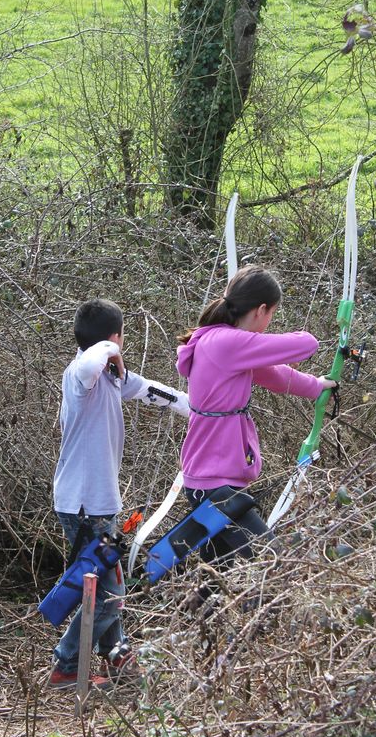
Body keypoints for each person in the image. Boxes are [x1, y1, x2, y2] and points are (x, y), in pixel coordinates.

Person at [50, 297, 189, 689]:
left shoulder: (112, 378)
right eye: (118, 339)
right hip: (84, 507)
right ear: (114, 338)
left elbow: (158, 392)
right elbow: (92, 362)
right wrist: (112, 348)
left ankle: (117, 656)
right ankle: (66, 664)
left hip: (97, 507)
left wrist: (204, 412)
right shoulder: (80, 375)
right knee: (110, 592)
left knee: (105, 583)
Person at [176, 264, 337, 571]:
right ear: (262, 310)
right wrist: (285, 348)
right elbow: (307, 344)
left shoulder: (224, 344)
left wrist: (317, 386)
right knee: (271, 563)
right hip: (214, 486)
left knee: (215, 578)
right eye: (272, 313)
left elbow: (276, 376)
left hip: (214, 481)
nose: (270, 319)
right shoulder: (226, 342)